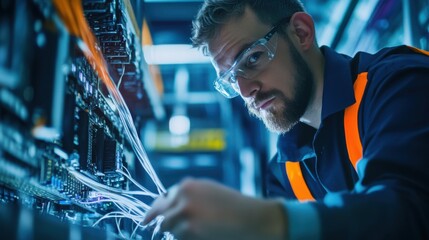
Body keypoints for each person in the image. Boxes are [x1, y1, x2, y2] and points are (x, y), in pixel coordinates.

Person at [143, 0, 429, 239]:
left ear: (302, 33)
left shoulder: (399, 84)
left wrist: (264, 220)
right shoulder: (284, 170)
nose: (245, 91)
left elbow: (409, 210)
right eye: (231, 80)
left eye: (252, 58)